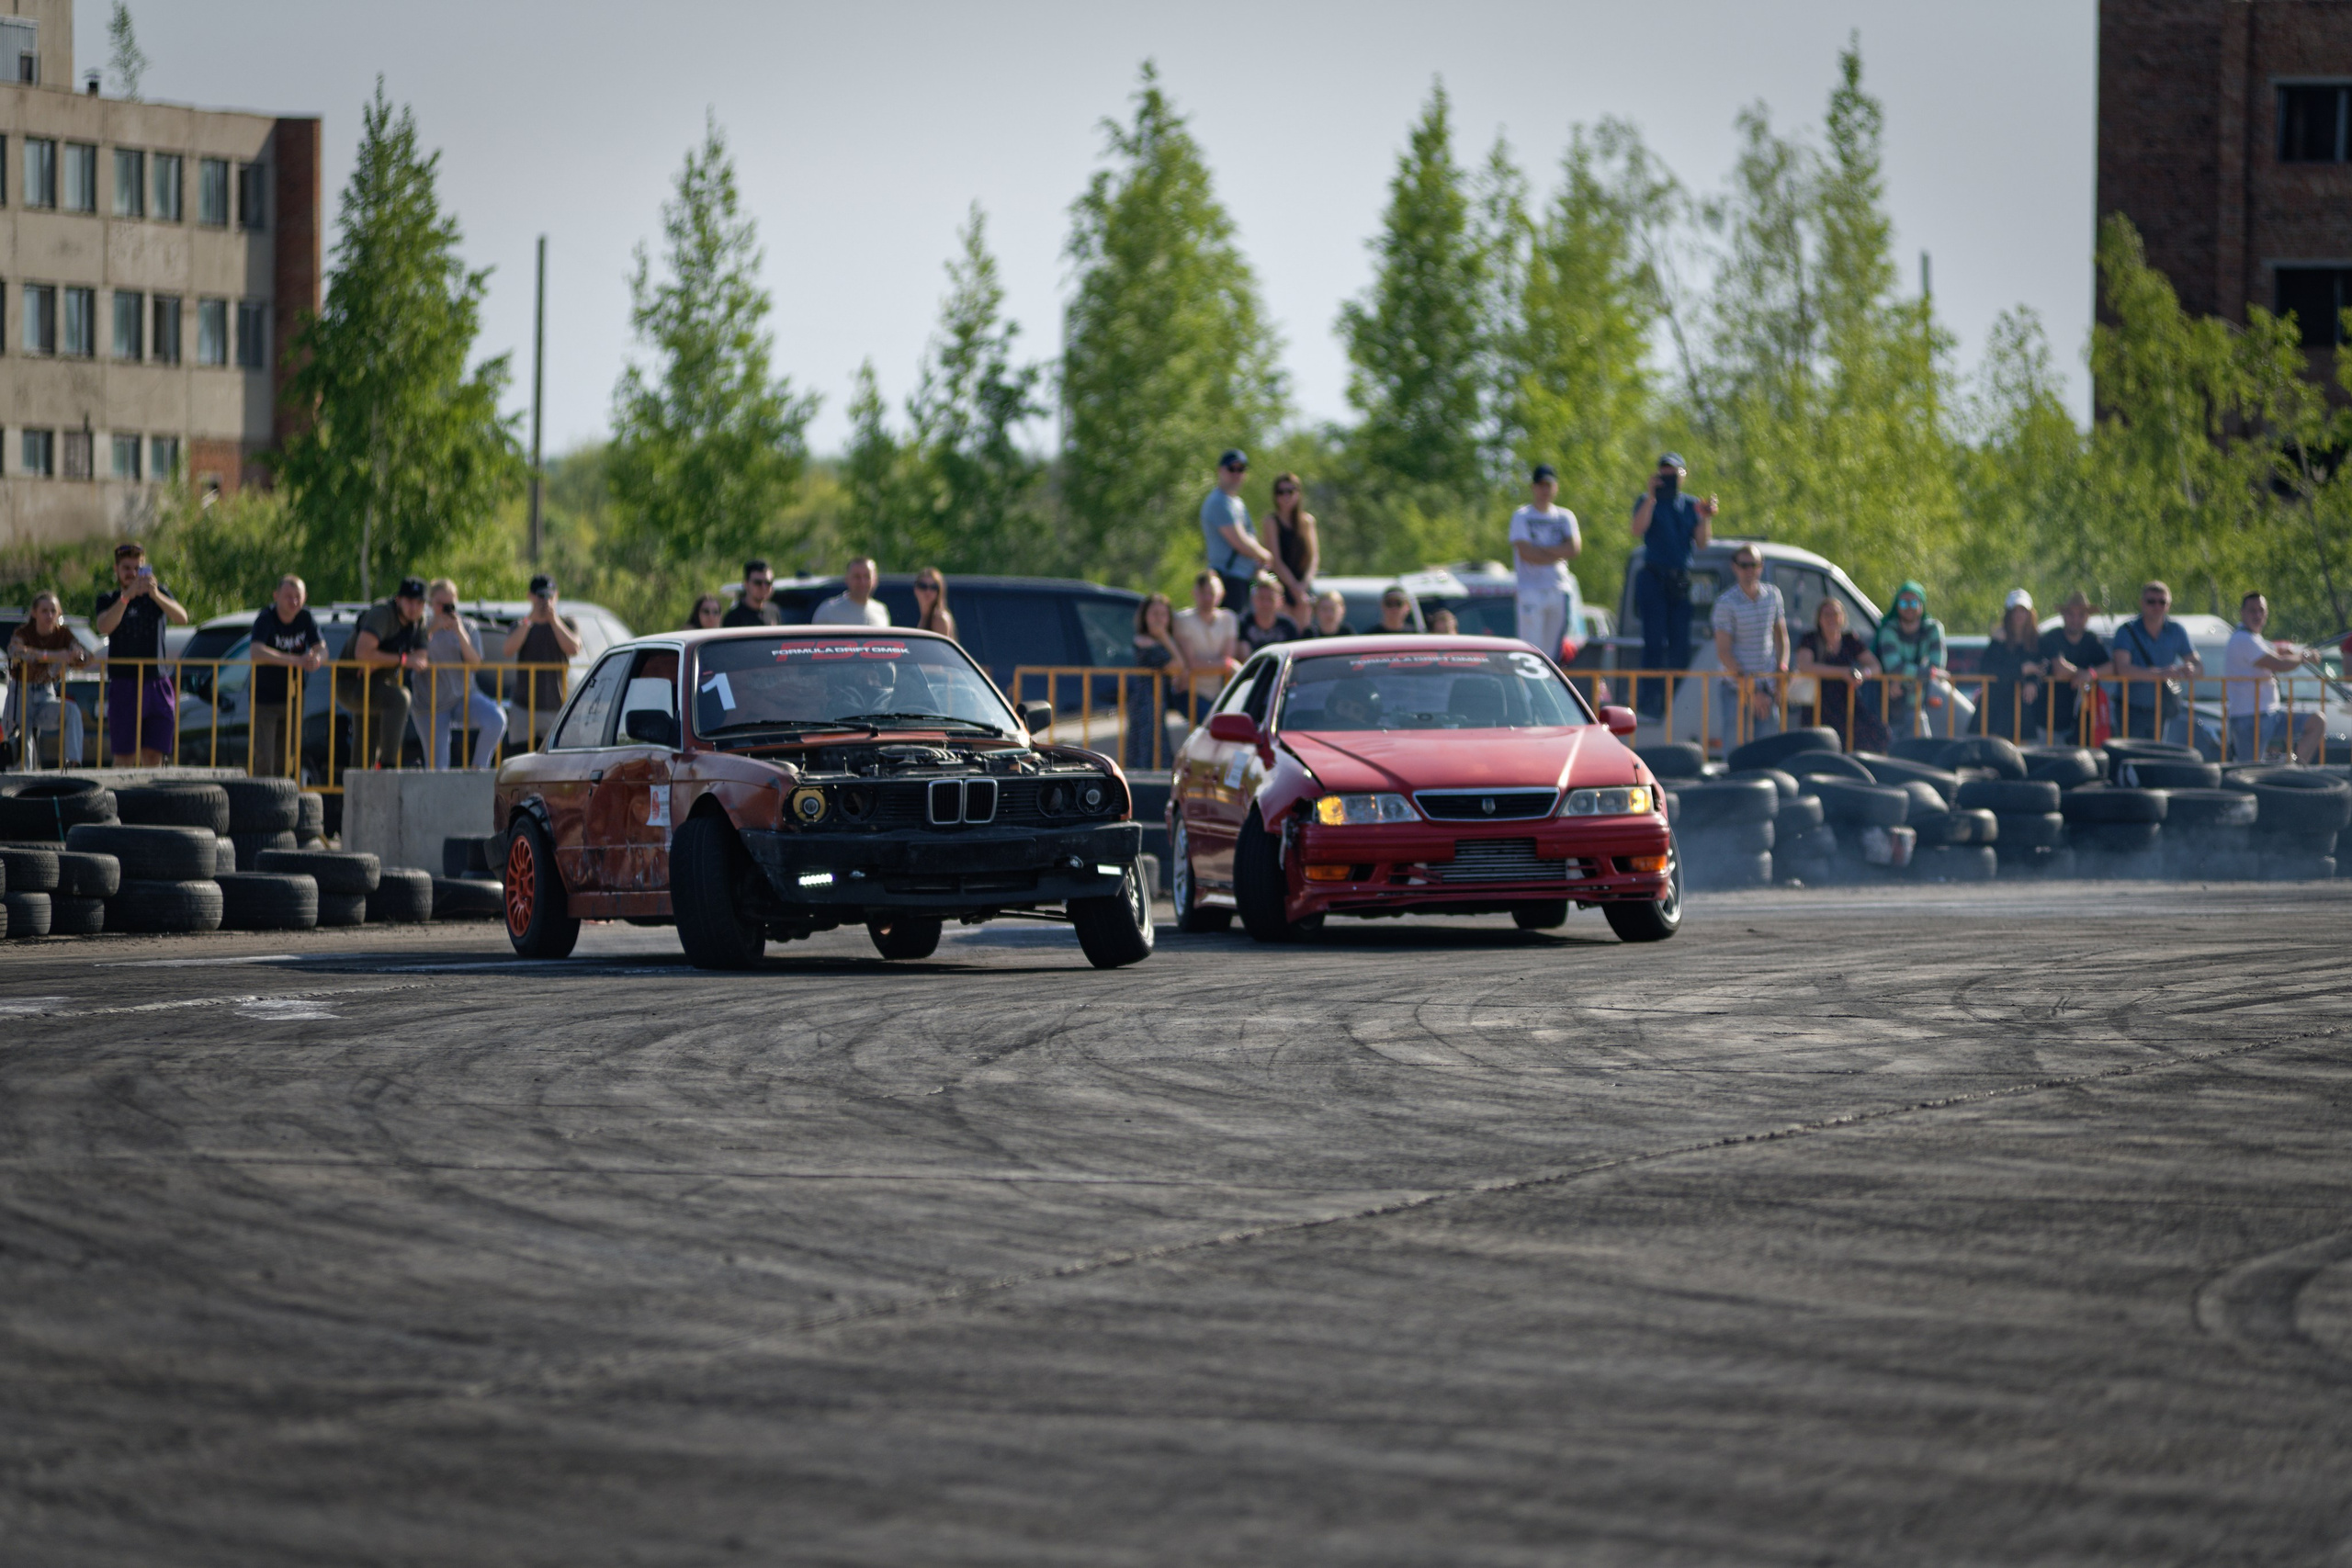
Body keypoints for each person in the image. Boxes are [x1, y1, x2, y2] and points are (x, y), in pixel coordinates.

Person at [1628, 452, 1716, 717]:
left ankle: (1676, 702)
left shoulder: (1691, 505)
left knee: (1679, 646)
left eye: (1673, 474)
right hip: (1653, 578)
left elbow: (1702, 543)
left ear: (1683, 475)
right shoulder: (1647, 501)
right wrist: (1651, 497)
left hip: (1679, 581)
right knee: (1653, 644)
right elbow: (1637, 529)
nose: (1668, 478)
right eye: (1663, 473)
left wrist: (1706, 516)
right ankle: (1649, 701)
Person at [92, 541, 190, 765]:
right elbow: (104, 625)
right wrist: (127, 596)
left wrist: (155, 595)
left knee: (154, 754)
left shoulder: (158, 595)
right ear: (116, 569)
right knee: (124, 756)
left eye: (137, 568)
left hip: (156, 682)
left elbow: (182, 618)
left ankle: (151, 790)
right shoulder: (109, 599)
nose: (132, 574)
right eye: (126, 568)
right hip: (124, 683)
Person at [413, 578, 507, 770]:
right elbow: (413, 655)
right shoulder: (420, 626)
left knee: (496, 719)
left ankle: (478, 769)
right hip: (430, 703)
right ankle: (439, 790)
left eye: (451, 605)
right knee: (438, 766)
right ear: (430, 603)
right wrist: (432, 629)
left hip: (463, 697)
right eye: (440, 604)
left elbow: (475, 664)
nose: (446, 609)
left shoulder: (467, 626)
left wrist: (459, 632)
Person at [2223, 592, 2324, 763]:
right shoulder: (2242, 639)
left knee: (2317, 721)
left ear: (2266, 613)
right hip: (2249, 717)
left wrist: (2290, 652)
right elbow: (2279, 664)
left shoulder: (2254, 638)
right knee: (2249, 769)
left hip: (2270, 714)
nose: (2257, 615)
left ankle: (2297, 769)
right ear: (2242, 613)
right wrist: (2304, 656)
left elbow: (2275, 655)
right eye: (2252, 610)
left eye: (2261, 610)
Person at [247, 573, 326, 776]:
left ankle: (282, 796)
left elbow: (322, 648)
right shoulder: (266, 618)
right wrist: (295, 660)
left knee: (287, 758)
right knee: (265, 758)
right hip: (265, 700)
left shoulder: (306, 618)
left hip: (293, 698)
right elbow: (256, 651)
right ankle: (261, 796)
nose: (294, 602)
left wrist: (316, 660)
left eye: (298, 597)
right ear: (276, 596)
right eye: (288, 596)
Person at [1710, 544, 1787, 747]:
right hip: (1736, 688)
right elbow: (1724, 652)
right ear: (1734, 567)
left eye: (1754, 564)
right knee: (1736, 752)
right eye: (1744, 565)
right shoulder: (1726, 603)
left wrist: (1781, 673)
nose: (1749, 570)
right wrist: (1751, 691)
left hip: (1767, 687)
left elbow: (1781, 638)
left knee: (1769, 751)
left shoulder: (1773, 595)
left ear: (1761, 566)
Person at [2109, 580, 2201, 747]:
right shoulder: (2127, 630)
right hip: (2130, 710)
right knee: (2130, 756)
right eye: (2151, 601)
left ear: (2169, 605)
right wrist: (2160, 674)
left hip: (2161, 710)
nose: (2157, 606)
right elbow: (2122, 668)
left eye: (2162, 602)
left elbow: (2198, 666)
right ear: (2141, 603)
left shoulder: (2176, 630)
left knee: (2157, 756)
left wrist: (2190, 669)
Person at [351, 577, 431, 768]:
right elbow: (362, 653)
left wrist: (379, 662)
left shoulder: (419, 622)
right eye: (409, 601)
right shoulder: (383, 613)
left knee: (368, 743)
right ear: (398, 599)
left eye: (419, 602)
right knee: (399, 698)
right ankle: (387, 765)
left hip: (381, 682)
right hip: (354, 681)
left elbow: (421, 659)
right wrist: (402, 659)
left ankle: (377, 773)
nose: (414, 607)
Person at [6, 591, 89, 766]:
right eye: (44, 611)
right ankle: (22, 778)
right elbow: (15, 651)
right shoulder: (24, 633)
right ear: (34, 613)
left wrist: (76, 654)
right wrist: (51, 655)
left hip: (45, 693)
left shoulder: (63, 634)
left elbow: (83, 655)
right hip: (21, 693)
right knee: (23, 744)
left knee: (71, 711)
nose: (49, 615)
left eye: (53, 611)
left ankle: (73, 763)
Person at [1509, 463, 1581, 662]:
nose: (1545, 490)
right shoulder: (1522, 516)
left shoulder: (1565, 516)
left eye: (1549, 485)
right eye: (1541, 485)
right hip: (1530, 589)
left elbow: (1573, 549)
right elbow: (1526, 553)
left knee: (1552, 653)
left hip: (1558, 588)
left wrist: (1540, 549)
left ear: (1556, 487)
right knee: (1531, 649)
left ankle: (1549, 681)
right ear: (1533, 487)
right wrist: (1558, 551)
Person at [502, 573, 582, 744]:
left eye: (549, 596)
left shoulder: (566, 623)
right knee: (521, 754)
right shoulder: (521, 624)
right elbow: (508, 650)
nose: (545, 601)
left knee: (554, 754)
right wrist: (530, 620)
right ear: (530, 597)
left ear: (556, 596)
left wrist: (554, 621)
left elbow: (574, 648)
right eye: (540, 596)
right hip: (523, 707)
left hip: (556, 707)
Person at [1792, 595, 1879, 750]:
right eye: (1827, 614)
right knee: (1819, 745)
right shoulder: (1810, 639)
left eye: (1835, 614)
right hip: (1818, 704)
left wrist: (1861, 674)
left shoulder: (1850, 640)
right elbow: (1805, 666)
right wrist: (1842, 672)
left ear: (1843, 617)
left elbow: (1875, 666)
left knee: (1872, 736)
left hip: (1846, 703)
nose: (1831, 618)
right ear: (1819, 619)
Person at [1869, 580, 1947, 738]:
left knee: (1922, 748)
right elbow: (1894, 667)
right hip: (1887, 705)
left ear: (1922, 605)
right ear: (1897, 606)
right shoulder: (1888, 629)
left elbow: (1937, 665)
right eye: (1904, 603)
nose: (1909, 608)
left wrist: (1901, 681)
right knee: (1888, 748)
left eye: (1913, 603)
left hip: (1916, 706)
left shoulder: (1933, 628)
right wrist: (1924, 673)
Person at [1200, 448, 1273, 610]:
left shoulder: (1236, 502)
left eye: (1241, 469)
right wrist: (1265, 555)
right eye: (1231, 469)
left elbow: (1250, 536)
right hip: (1228, 579)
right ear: (1220, 471)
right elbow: (1240, 541)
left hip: (1243, 578)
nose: (1236, 473)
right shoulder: (1218, 501)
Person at [2036, 590, 2110, 745]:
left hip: (2075, 724)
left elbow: (2111, 666)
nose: (2075, 619)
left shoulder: (2091, 640)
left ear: (2087, 617)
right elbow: (2059, 668)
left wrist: (2090, 674)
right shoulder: (2052, 637)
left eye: (2081, 614)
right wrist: (2082, 674)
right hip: (2044, 721)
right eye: (2071, 614)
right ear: (2063, 615)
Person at [1976, 589, 2048, 742]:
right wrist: (2021, 670)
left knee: (2022, 753)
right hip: (1996, 710)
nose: (2019, 615)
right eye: (2015, 610)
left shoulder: (2037, 640)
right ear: (2008, 614)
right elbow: (1987, 669)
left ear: (2030, 614)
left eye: (2023, 611)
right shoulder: (1999, 640)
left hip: (2024, 711)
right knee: (1995, 751)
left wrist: (2033, 682)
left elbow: (2044, 667)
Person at [1170, 569, 1240, 718]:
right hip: (1190, 692)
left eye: (1212, 593)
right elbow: (1192, 663)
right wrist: (1223, 664)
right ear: (1194, 593)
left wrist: (1221, 663)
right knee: (1212, 723)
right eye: (1203, 593)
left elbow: (1227, 658)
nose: (1208, 598)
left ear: (1221, 594)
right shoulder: (1183, 619)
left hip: (1219, 693)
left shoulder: (1229, 618)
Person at [1126, 592, 1184, 770]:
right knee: (1147, 746)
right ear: (1145, 616)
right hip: (1145, 702)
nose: (1159, 619)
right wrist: (1165, 637)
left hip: (1157, 701)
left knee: (1158, 742)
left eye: (1163, 614)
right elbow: (1177, 665)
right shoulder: (1144, 642)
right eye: (1154, 613)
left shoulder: (1159, 642)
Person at [1262, 472, 1319, 621]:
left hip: (1302, 582)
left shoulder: (1307, 522)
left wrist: (1303, 585)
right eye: (1281, 492)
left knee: (1304, 625)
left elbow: (1313, 557)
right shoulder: (1271, 522)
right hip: (1281, 584)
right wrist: (1295, 588)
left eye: (1290, 491)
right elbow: (1275, 560)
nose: (1286, 496)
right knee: (1286, 624)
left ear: (1298, 493)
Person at [814, 558, 890, 626]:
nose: (862, 582)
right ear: (847, 579)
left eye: (867, 577)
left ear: (875, 580)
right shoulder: (828, 611)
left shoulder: (881, 611)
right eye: (857, 577)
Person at [1237, 571, 1298, 656]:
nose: (1265, 604)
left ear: (1280, 601)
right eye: (1261, 598)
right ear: (1253, 599)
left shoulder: (1288, 626)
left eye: (1270, 599)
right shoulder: (1243, 624)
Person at [724, 560, 781, 626]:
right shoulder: (733, 618)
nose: (764, 587)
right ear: (746, 584)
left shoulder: (773, 612)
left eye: (768, 583)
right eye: (758, 583)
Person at [912, 568, 957, 641]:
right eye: (923, 586)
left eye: (933, 587)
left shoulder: (938, 618)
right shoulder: (925, 617)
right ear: (915, 589)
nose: (928, 591)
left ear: (939, 591)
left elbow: (941, 647)